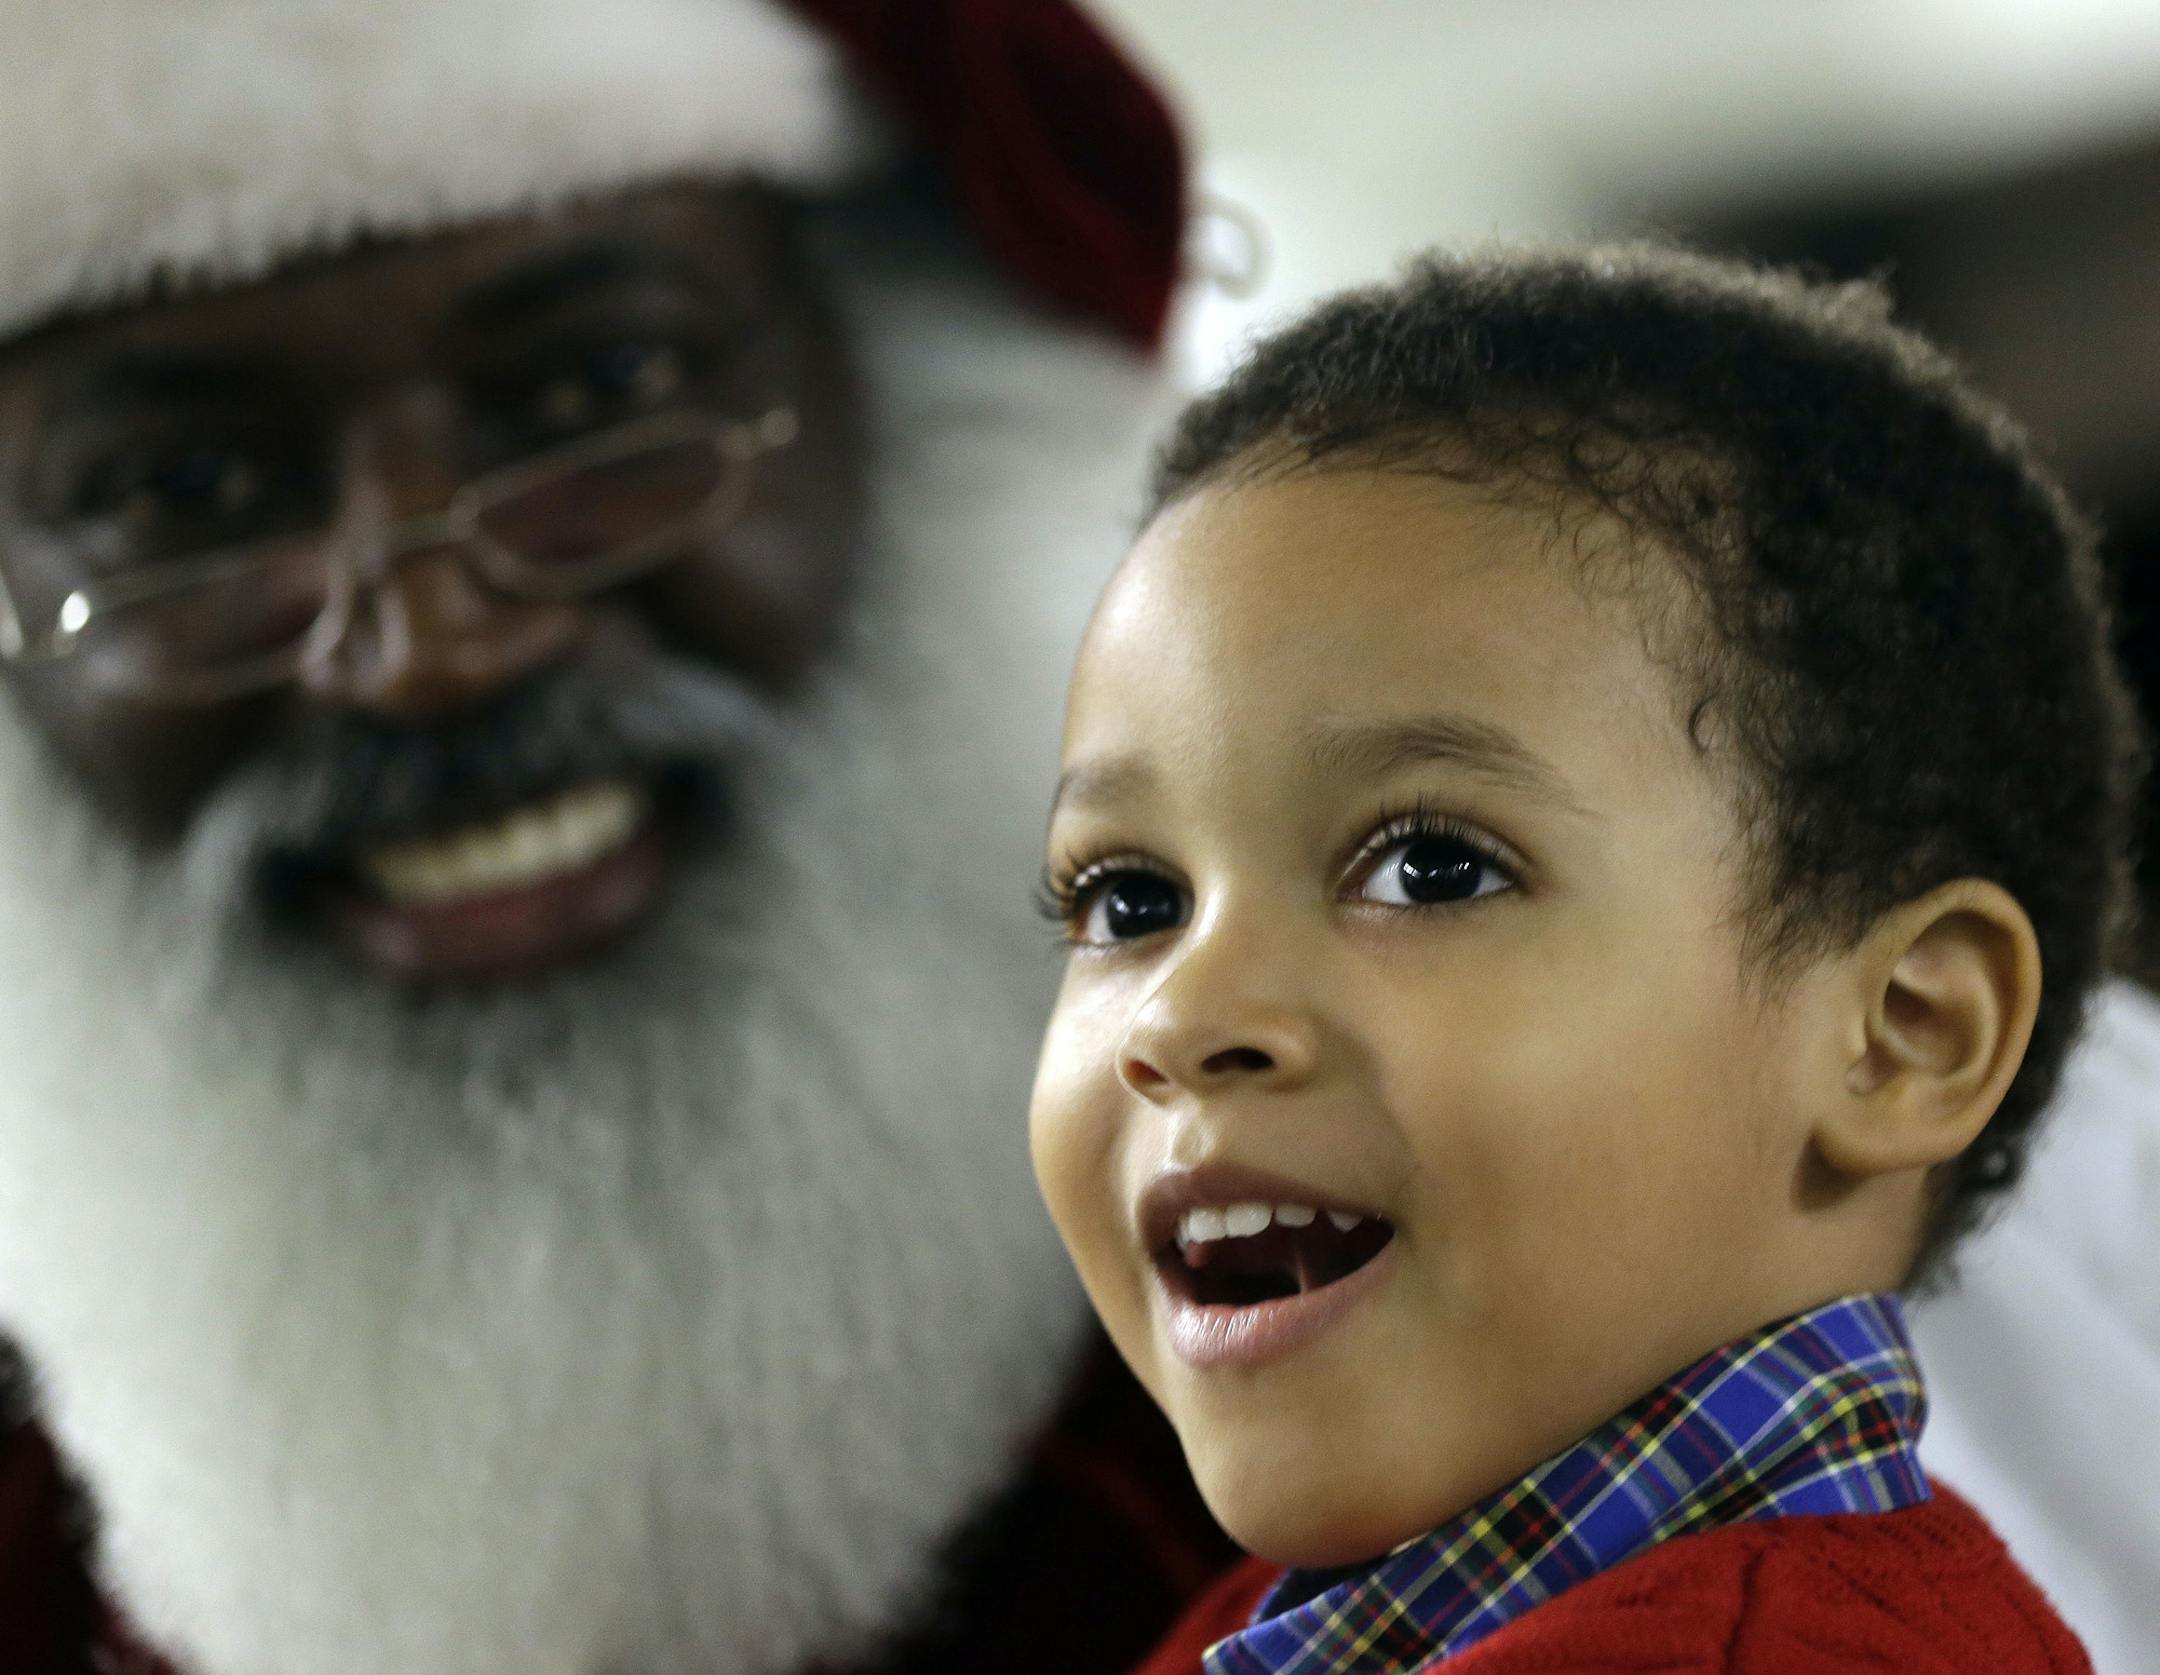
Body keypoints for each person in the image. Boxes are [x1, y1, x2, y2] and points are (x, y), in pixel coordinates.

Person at [0, 3, 1234, 1673]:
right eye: (178, 492)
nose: (434, 642)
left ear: (923, 405)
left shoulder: (1476, 1353)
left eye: (599, 392)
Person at [1029, 244, 2139, 1671]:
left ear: (1903, 1032)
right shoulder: (1287, 1626)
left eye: (1429, 868)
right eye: (1127, 900)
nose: (1183, 1013)